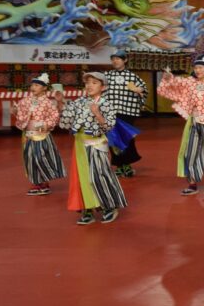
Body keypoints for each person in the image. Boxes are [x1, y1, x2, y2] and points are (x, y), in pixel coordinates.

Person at [60, 72, 128, 225]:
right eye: (88, 82)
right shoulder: (79, 102)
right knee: (81, 177)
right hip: (79, 144)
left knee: (99, 175)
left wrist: (98, 114)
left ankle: (109, 206)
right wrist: (61, 104)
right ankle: (87, 209)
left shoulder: (106, 104)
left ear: (103, 87)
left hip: (96, 143)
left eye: (94, 83)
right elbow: (65, 123)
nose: (89, 85)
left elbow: (109, 126)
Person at [158, 54, 204, 196]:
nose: (197, 70)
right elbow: (175, 84)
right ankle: (192, 183)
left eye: (201, 67)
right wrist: (168, 78)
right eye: (196, 67)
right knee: (191, 153)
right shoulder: (190, 83)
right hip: (195, 124)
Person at [14, 73, 65, 196]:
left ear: (44, 88)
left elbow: (54, 115)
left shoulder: (48, 103)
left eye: (36, 85)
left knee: (42, 157)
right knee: (30, 158)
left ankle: (45, 182)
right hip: (29, 134)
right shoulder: (26, 101)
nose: (33, 87)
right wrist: (16, 111)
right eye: (32, 85)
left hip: (42, 134)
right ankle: (36, 183)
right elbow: (20, 112)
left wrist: (46, 125)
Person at [105, 49, 147, 177]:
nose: (115, 61)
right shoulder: (107, 75)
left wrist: (138, 89)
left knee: (126, 138)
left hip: (127, 111)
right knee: (113, 138)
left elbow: (144, 89)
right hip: (111, 111)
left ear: (125, 60)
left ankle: (127, 164)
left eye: (118, 58)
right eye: (113, 58)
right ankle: (119, 165)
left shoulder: (132, 76)